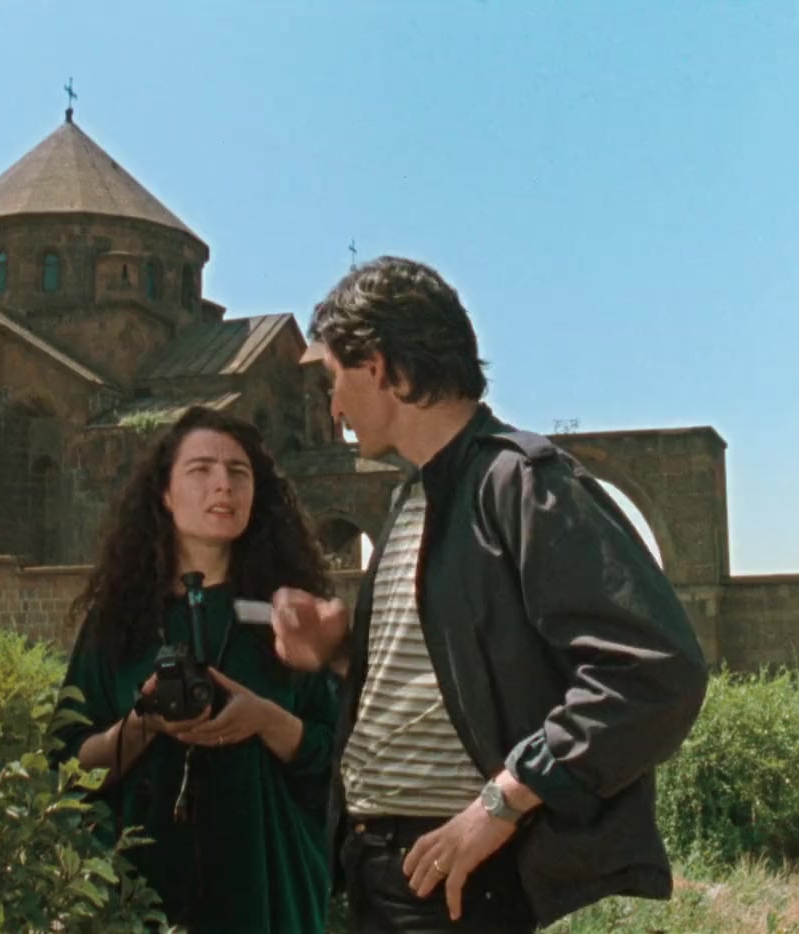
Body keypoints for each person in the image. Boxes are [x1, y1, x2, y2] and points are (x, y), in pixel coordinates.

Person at [271, 257, 708, 932]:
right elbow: (462, 681)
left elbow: (657, 670)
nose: (332, 408)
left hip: (454, 881)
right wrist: (338, 654)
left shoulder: (523, 483)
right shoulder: (412, 495)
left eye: (335, 380)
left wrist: (504, 799)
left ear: (380, 369)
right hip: (376, 869)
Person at [52, 405, 338, 933]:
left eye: (238, 471)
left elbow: (337, 754)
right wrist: (142, 723)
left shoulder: (286, 616)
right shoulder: (119, 619)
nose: (223, 485)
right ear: (165, 492)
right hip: (142, 887)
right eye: (201, 469)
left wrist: (265, 720)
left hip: (267, 885)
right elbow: (67, 763)